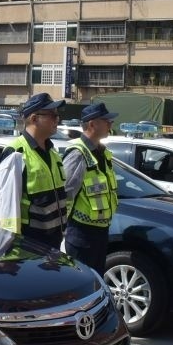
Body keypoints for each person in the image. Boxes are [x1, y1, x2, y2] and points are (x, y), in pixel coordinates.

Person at [0, 93, 68, 250]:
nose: (57, 119)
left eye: (57, 115)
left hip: (54, 240)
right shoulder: (16, 152)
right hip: (29, 243)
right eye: (52, 115)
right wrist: (9, 246)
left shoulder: (52, 152)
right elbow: (8, 206)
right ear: (34, 119)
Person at [61, 102, 119, 275]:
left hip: (100, 233)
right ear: (92, 124)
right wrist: (62, 230)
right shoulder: (78, 153)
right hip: (81, 235)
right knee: (80, 284)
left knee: (95, 282)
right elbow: (65, 193)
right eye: (106, 120)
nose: (110, 124)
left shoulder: (102, 152)